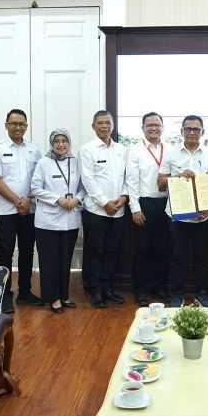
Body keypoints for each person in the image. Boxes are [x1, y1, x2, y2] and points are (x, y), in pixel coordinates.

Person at [157, 114, 208, 308]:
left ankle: (202, 294)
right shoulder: (170, 153)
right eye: (188, 129)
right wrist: (178, 176)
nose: (192, 132)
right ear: (182, 131)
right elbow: (160, 183)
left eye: (196, 129)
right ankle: (176, 295)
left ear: (202, 132)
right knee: (177, 258)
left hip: (203, 217)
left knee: (203, 258)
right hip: (177, 216)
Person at [0, 109, 43, 305]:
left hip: (30, 209)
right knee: (5, 251)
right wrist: (17, 201)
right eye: (14, 123)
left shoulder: (34, 150)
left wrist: (27, 200)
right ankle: (3, 296)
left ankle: (25, 292)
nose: (18, 127)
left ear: (26, 127)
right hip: (6, 211)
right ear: (6, 125)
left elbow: (39, 179)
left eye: (22, 124)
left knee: (28, 250)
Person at [79, 110, 129, 308]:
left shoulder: (122, 149)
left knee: (112, 251)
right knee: (95, 251)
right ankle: (95, 290)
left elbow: (128, 177)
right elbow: (87, 179)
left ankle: (108, 288)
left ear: (112, 125)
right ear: (93, 126)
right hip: (96, 211)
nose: (104, 126)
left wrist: (124, 197)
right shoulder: (87, 150)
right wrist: (104, 202)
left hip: (118, 210)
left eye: (108, 123)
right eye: (100, 123)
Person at [31, 129, 85, 313]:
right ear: (52, 144)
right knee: (49, 261)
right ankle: (52, 297)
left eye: (64, 141)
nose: (61, 144)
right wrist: (58, 199)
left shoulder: (76, 162)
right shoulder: (43, 163)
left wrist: (77, 199)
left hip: (70, 219)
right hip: (48, 221)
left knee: (65, 260)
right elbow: (35, 188)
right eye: (57, 141)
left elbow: (83, 186)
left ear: (69, 143)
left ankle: (64, 295)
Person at [126, 112, 171, 306]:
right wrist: (135, 208)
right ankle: (142, 290)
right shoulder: (135, 150)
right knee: (143, 249)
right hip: (145, 203)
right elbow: (131, 181)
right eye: (149, 125)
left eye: (157, 124)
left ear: (162, 127)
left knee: (163, 249)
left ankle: (159, 287)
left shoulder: (170, 149)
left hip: (167, 204)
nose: (153, 128)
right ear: (143, 128)